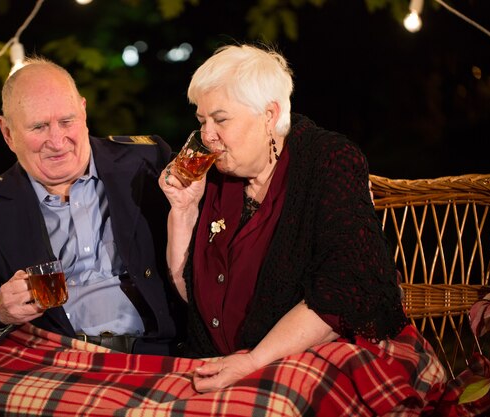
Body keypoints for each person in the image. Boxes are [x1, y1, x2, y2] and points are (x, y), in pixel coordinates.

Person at [159, 43, 446, 406]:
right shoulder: (216, 178)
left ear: (269, 115)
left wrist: (253, 361)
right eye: (202, 122)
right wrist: (182, 211)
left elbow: (345, 287)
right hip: (231, 368)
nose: (207, 135)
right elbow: (195, 300)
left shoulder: (327, 160)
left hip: (329, 357)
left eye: (220, 119)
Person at [0, 57, 182, 356]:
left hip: (158, 350)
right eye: (39, 127)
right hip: (54, 361)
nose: (57, 140)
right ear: (8, 133)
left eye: (66, 121)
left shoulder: (147, 161)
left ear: (84, 111)